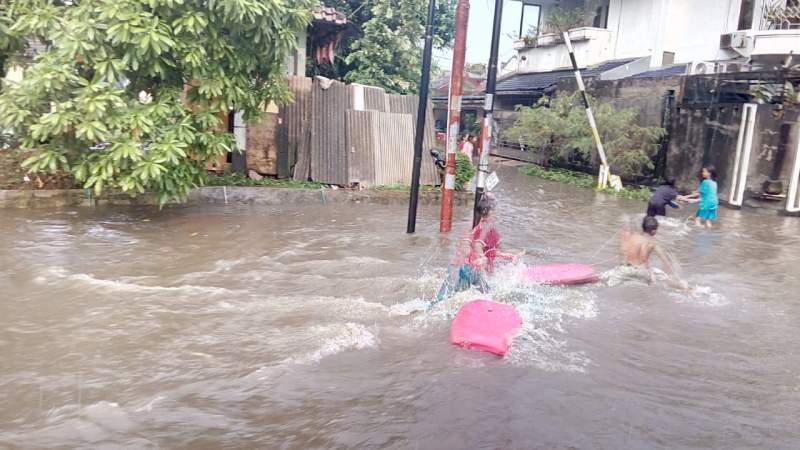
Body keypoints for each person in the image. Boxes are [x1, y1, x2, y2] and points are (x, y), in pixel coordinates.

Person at [434, 195, 522, 304]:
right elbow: (477, 245)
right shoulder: (486, 226)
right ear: (487, 211)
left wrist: (509, 256)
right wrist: (482, 257)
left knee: (444, 300)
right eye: (494, 210)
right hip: (467, 271)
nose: (497, 213)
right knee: (491, 297)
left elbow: (485, 250)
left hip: (458, 269)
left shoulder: (474, 225)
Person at [619, 216, 687, 289]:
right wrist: (675, 277)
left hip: (626, 269)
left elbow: (623, 252)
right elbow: (664, 260)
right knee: (668, 280)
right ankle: (688, 290)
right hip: (639, 271)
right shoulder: (652, 243)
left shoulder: (633, 236)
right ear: (653, 231)